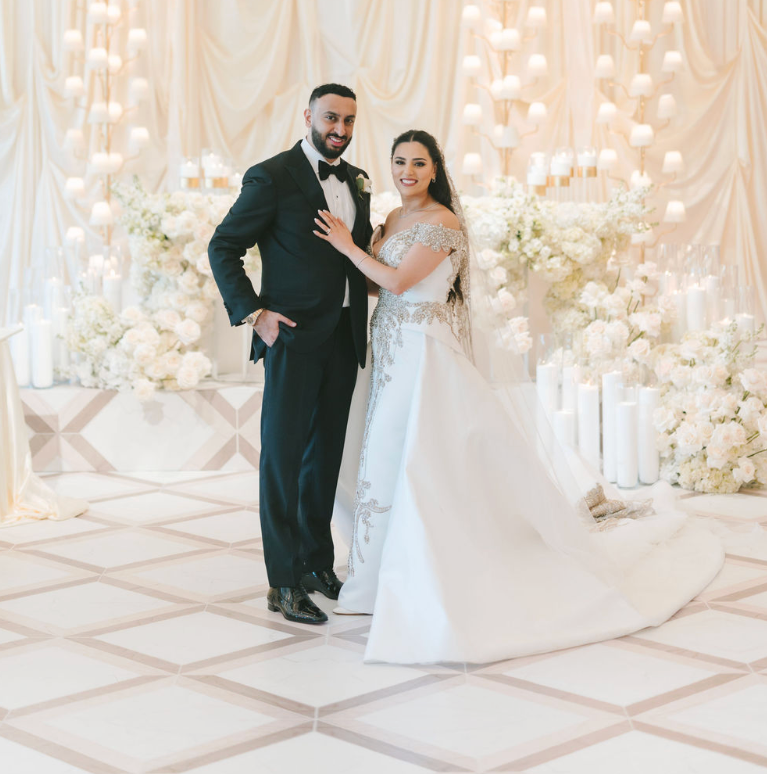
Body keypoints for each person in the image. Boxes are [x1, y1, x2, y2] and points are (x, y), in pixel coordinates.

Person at [314, 129, 724, 665]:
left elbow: (396, 282)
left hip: (423, 354)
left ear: (435, 169)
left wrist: (347, 246)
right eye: (399, 161)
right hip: (390, 349)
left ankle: (411, 574)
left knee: (414, 458)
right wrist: (339, 262)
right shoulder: (392, 220)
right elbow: (377, 285)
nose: (407, 171)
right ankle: (372, 577)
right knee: (385, 461)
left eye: (418, 162)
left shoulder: (443, 223)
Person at [208, 85, 372, 625]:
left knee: (323, 457)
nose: (340, 129)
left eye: (348, 120)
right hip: (293, 337)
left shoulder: (355, 181)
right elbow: (223, 246)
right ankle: (282, 582)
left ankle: (315, 565)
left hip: (345, 338)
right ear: (308, 116)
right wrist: (257, 314)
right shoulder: (272, 175)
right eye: (331, 118)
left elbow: (356, 256)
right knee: (282, 461)